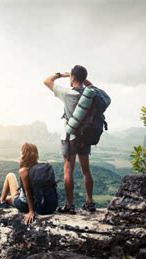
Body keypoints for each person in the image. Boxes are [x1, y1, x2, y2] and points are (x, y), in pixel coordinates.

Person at [43, 65, 96, 213]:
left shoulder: (67, 93)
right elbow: (93, 87)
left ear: (73, 77)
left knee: (68, 171)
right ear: (84, 78)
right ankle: (90, 202)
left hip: (69, 137)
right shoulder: (89, 93)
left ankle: (70, 205)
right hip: (85, 137)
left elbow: (46, 81)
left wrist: (62, 74)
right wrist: (83, 79)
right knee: (86, 170)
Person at [0, 143, 39, 225]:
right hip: (38, 202)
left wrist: (31, 211)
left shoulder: (24, 170)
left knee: (10, 175)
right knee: (8, 199)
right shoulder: (39, 168)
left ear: (24, 154)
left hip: (24, 205)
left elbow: (28, 193)